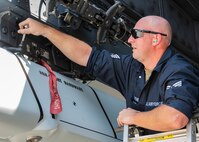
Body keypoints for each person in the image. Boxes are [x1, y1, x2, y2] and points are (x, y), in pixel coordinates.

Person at [18, 15, 199, 135]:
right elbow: (86, 55)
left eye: (135, 34)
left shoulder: (179, 70)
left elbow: (176, 117)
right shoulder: (131, 67)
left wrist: (133, 117)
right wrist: (44, 30)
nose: (129, 40)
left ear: (156, 38)